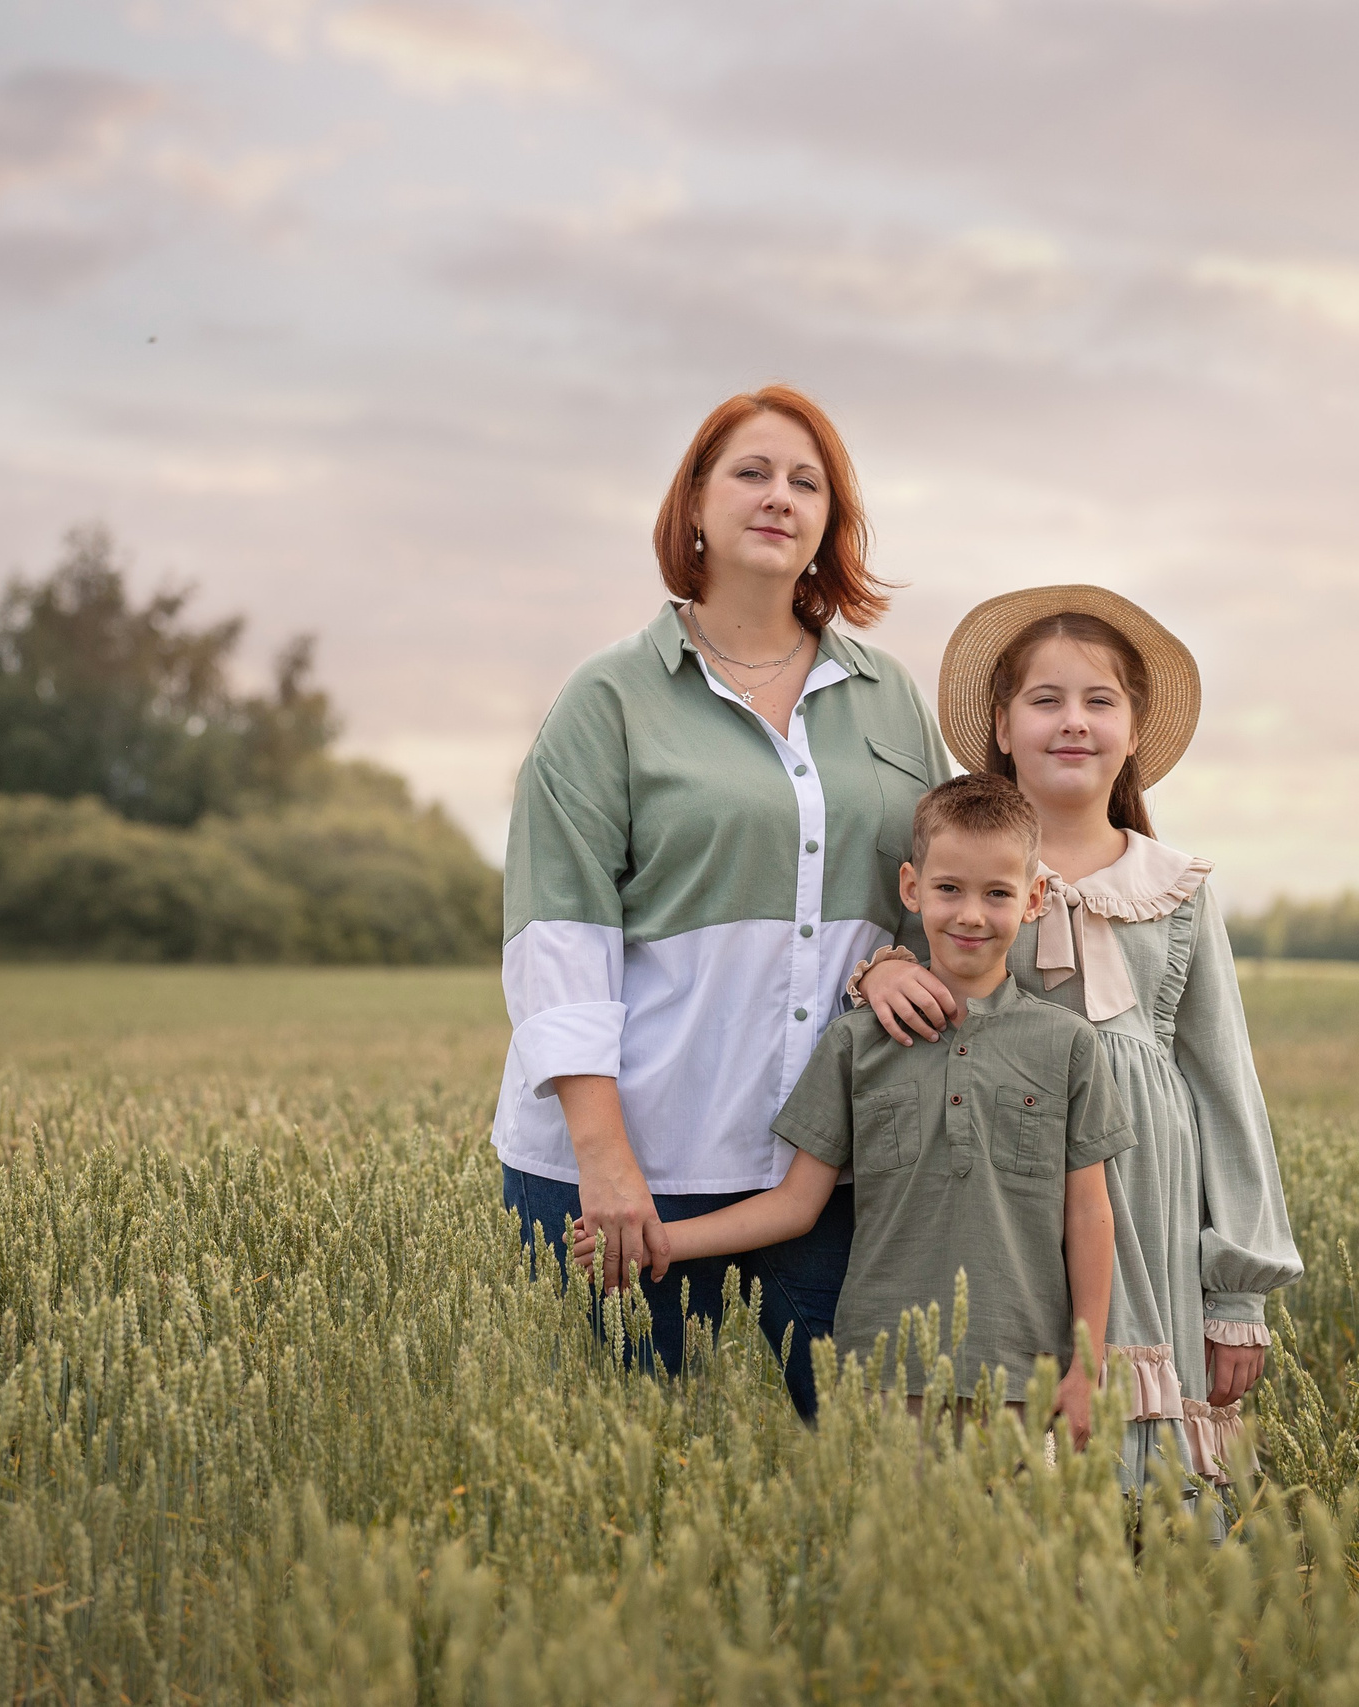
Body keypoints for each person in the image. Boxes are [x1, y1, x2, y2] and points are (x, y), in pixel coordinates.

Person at [493, 385, 953, 1419]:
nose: (778, 496)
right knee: (617, 1497)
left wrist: (890, 956)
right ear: (693, 503)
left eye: (807, 482)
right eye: (750, 471)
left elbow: (942, 893)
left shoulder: (888, 698)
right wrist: (609, 1166)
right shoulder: (607, 699)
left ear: (831, 522)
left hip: (821, 1178)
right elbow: (558, 937)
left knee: (827, 1490)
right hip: (626, 1179)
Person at [860, 586, 1301, 1486]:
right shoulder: (967, 874)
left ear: (1134, 729)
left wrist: (1239, 1289)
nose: (1073, 722)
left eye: (1100, 700)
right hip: (998, 1193)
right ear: (1001, 723)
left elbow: (1223, 1085)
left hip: (1143, 1191)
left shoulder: (1174, 887)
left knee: (1144, 1459)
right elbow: (905, 989)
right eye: (1045, 700)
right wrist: (876, 969)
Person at [574, 774, 1131, 1447]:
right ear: (910, 887)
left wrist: (1086, 1362)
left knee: (1012, 1553)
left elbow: (1089, 1212)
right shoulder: (857, 1040)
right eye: (949, 888)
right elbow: (795, 1204)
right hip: (886, 1375)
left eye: (998, 893)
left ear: (1035, 896)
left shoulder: (1067, 1044)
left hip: (1025, 1375)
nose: (971, 914)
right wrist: (659, 1240)